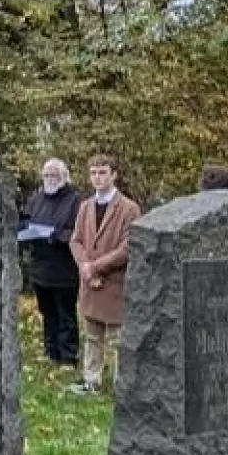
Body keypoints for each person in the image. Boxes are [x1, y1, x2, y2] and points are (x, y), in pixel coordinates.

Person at [69, 154, 140, 395]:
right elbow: (75, 240)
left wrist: (96, 267)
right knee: (91, 335)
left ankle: (123, 386)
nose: (97, 177)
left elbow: (127, 247)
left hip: (114, 282)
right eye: (93, 173)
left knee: (118, 339)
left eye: (102, 172)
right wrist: (85, 267)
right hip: (89, 281)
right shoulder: (85, 206)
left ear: (114, 175)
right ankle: (92, 379)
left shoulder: (129, 208)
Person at [20, 158, 81, 366]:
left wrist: (57, 235)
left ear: (64, 176)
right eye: (46, 175)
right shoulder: (36, 199)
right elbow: (23, 220)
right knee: (48, 314)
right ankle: (50, 352)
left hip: (65, 270)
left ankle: (68, 357)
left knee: (66, 316)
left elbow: (79, 233)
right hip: (41, 268)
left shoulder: (75, 200)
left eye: (54, 175)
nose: (50, 179)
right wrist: (26, 230)